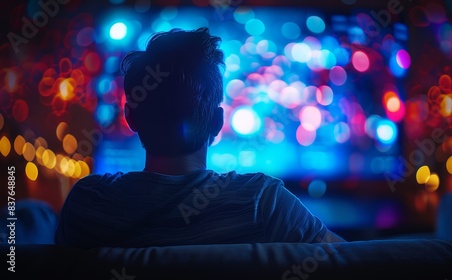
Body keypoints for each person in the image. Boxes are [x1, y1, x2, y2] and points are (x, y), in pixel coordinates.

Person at [54, 27, 345, 249]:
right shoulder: (264, 203)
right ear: (217, 122)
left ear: (131, 117)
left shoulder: (87, 203)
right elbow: (355, 264)